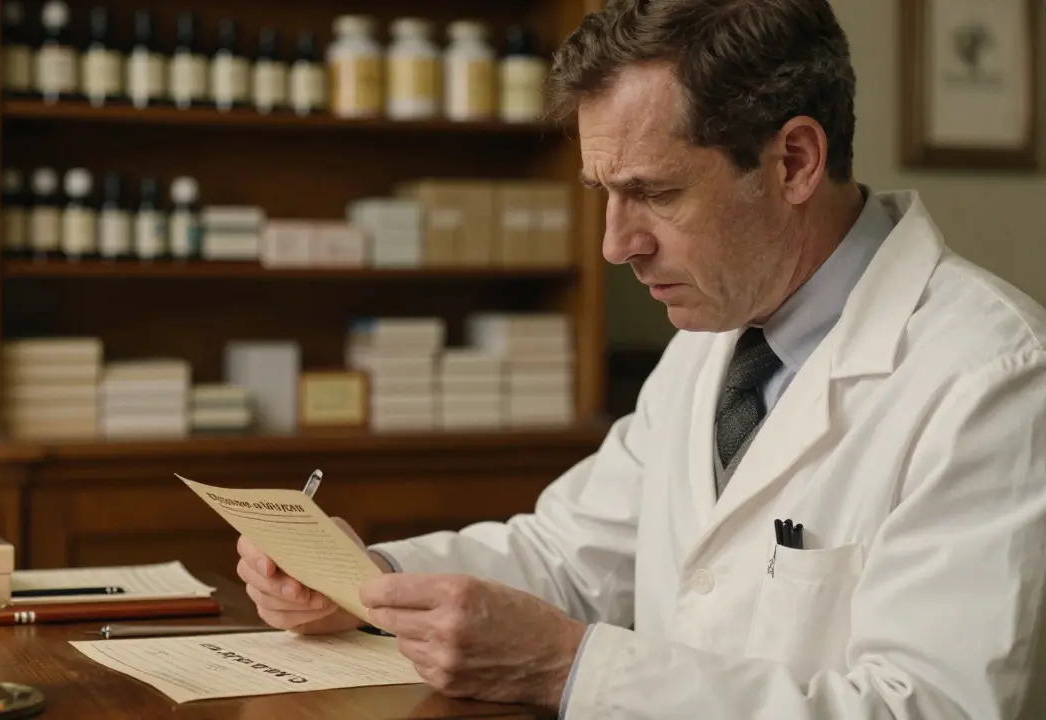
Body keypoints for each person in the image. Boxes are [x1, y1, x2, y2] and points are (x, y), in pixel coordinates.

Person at [237, 0, 1046, 717]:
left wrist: (570, 670)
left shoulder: (989, 375)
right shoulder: (722, 331)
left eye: (655, 193)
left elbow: (932, 708)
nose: (617, 244)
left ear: (794, 161)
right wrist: (364, 580)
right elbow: (567, 555)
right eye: (605, 194)